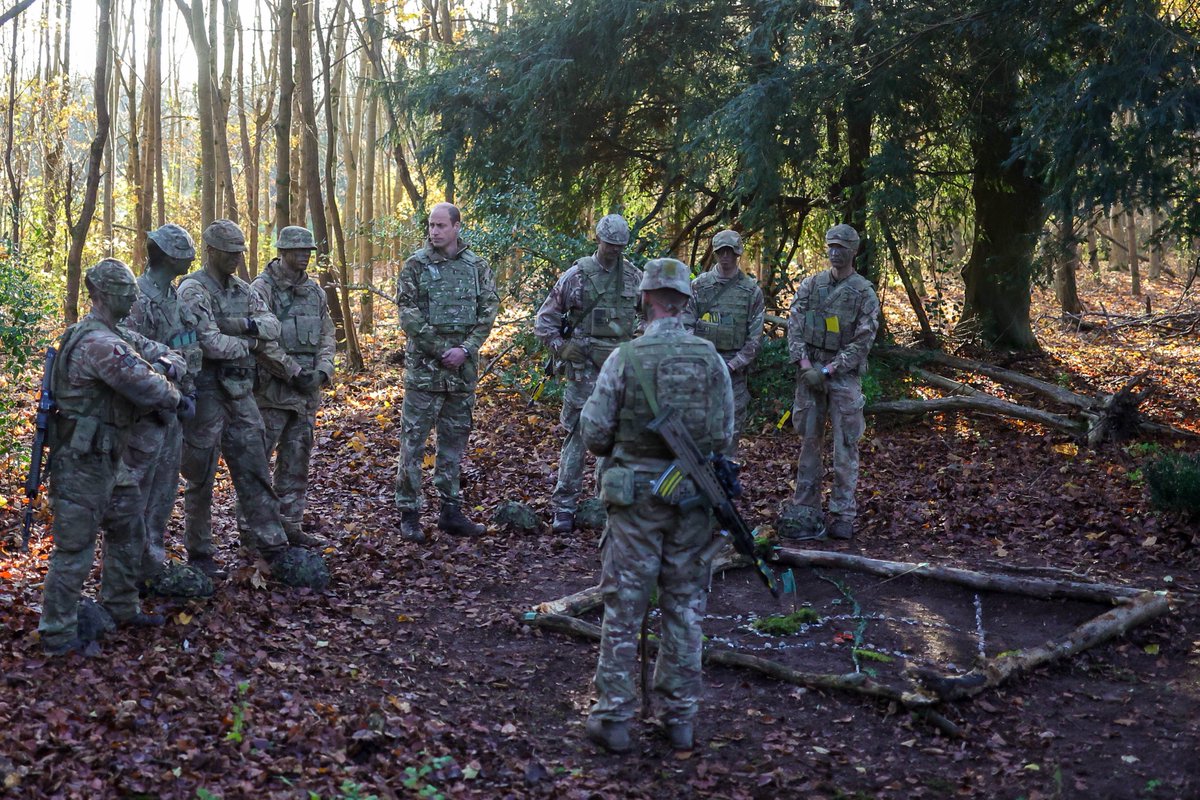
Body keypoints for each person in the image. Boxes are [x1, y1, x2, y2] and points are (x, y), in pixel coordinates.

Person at [579, 257, 734, 754]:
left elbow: (596, 433)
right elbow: (725, 434)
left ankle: (615, 720)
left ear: (645, 298)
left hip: (635, 504)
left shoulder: (625, 357)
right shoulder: (711, 358)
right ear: (686, 301)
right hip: (693, 499)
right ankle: (680, 718)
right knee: (685, 608)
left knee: (624, 608)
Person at [38, 259, 190, 656]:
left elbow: (167, 354)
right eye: (125, 292)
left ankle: (121, 605)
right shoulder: (98, 343)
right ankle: (58, 635)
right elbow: (144, 385)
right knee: (74, 549)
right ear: (105, 296)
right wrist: (173, 391)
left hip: (111, 459)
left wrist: (164, 365)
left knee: (128, 528)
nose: (133, 297)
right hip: (81, 462)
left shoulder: (117, 335)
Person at [177, 219, 292, 577]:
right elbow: (209, 343)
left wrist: (242, 328)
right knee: (201, 475)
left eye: (239, 253)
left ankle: (270, 544)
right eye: (228, 253)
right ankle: (199, 551)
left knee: (255, 468)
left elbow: (274, 326)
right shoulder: (193, 289)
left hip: (241, 392)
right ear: (211, 251)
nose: (235, 259)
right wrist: (251, 344)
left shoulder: (244, 289)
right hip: (208, 392)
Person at [395, 202, 499, 542]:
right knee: (413, 444)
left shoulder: (476, 266)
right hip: (425, 373)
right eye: (431, 225)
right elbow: (407, 313)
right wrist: (441, 350)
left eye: (441, 226)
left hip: (461, 375)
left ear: (456, 227)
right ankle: (409, 513)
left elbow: (488, 311)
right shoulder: (415, 265)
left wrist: (466, 349)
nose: (434, 231)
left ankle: (450, 511)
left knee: (453, 445)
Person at [534, 214, 643, 535]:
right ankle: (564, 507)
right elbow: (544, 319)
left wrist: (639, 345)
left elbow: (651, 318)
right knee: (578, 440)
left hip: (619, 373)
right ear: (598, 240)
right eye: (609, 245)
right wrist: (561, 347)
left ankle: (604, 504)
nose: (613, 251)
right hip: (582, 374)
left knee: (616, 440)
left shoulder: (634, 278)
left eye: (619, 247)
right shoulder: (576, 276)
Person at [240, 226, 336, 548]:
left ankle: (290, 525)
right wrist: (293, 372)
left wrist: (322, 371)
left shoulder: (316, 292)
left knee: (296, 462)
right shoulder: (261, 289)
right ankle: (252, 531)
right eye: (298, 250)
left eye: (308, 249)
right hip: (270, 394)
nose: (305, 255)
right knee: (257, 464)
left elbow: (327, 334)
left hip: (306, 395)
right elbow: (262, 344)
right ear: (282, 252)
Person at [783, 223, 880, 541]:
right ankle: (806, 510)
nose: (835, 252)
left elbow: (862, 341)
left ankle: (842, 514)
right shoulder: (811, 286)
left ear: (854, 251)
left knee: (845, 446)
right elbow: (794, 324)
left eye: (842, 247)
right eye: (831, 246)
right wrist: (806, 365)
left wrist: (827, 371)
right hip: (810, 375)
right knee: (809, 444)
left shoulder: (863, 292)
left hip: (842, 378)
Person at [123, 223, 203, 581]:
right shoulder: (137, 300)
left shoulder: (175, 298)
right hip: (143, 417)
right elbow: (128, 358)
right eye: (183, 254)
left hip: (173, 411)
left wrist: (189, 391)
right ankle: (126, 570)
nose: (189, 260)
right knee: (134, 493)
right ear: (168, 257)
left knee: (164, 491)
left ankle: (151, 561)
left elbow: (189, 345)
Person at [683, 229, 765, 455]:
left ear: (738, 254)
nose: (726, 257)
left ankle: (724, 484)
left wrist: (732, 366)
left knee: (730, 433)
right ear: (715, 253)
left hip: (733, 373)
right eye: (721, 252)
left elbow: (755, 339)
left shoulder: (750, 292)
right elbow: (685, 324)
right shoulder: (699, 286)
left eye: (730, 252)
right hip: (702, 369)